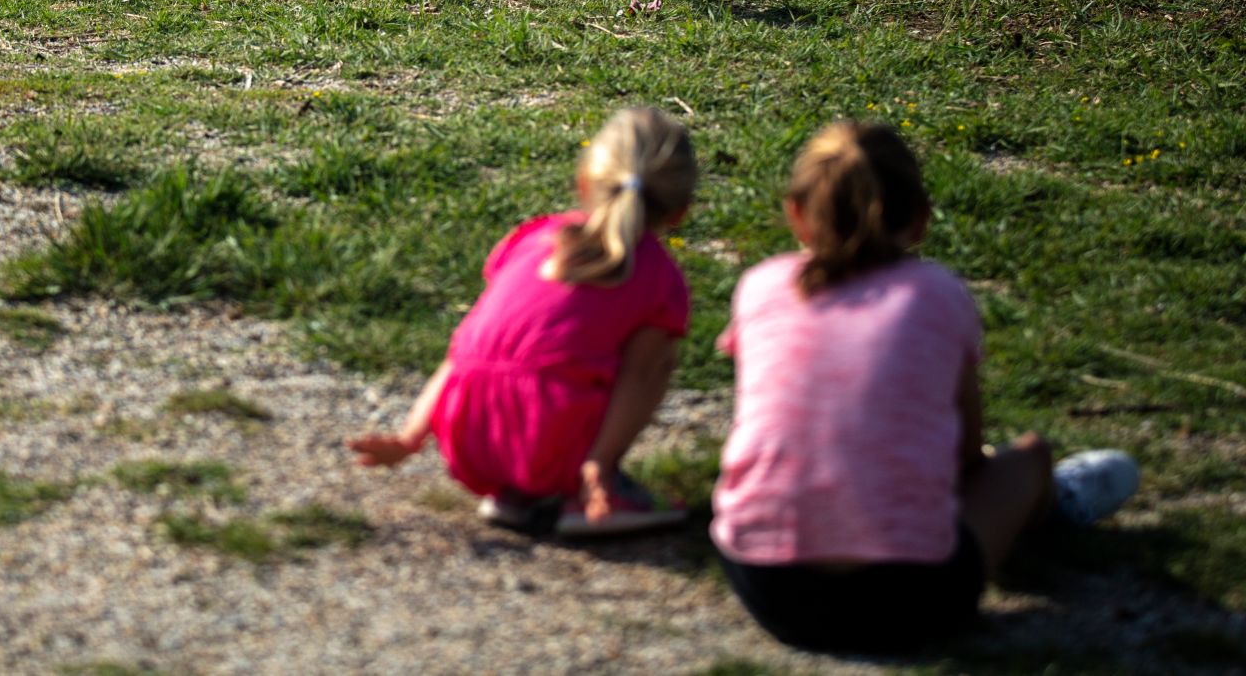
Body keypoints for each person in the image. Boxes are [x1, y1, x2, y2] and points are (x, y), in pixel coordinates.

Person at [711, 121, 1138, 653]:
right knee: (1029, 459)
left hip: (770, 587)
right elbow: (966, 456)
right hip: (912, 597)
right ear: (919, 219)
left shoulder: (762, 285)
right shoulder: (935, 293)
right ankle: (1052, 506)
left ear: (796, 213)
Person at [347, 106, 697, 535]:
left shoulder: (534, 237)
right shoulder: (659, 278)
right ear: (680, 212)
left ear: (583, 182)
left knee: (510, 351)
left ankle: (517, 493)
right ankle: (589, 486)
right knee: (650, 363)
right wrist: (597, 465)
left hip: (466, 435)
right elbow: (641, 378)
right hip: (552, 442)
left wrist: (410, 437)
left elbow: (466, 349)